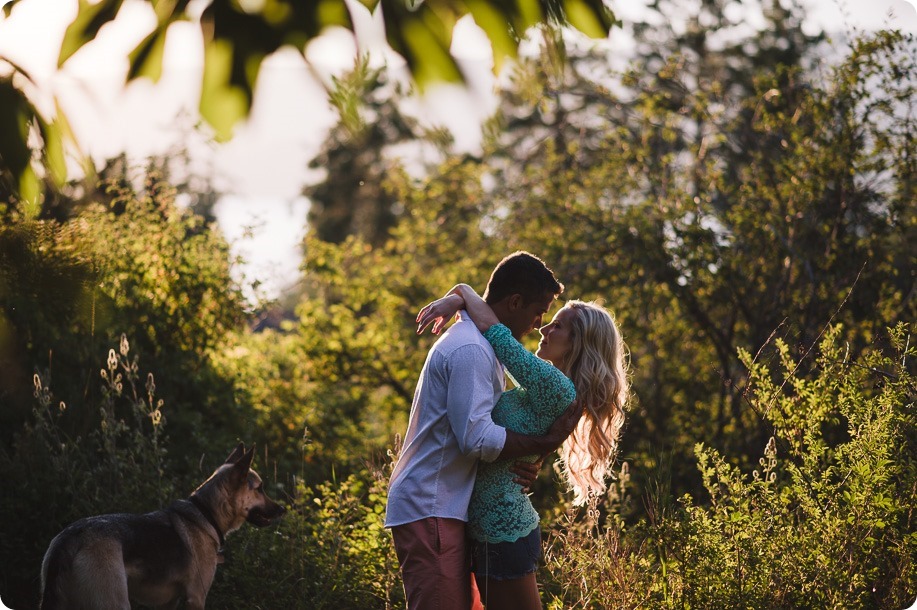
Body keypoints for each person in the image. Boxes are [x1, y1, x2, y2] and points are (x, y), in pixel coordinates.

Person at [385, 252, 581, 610]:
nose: (539, 324)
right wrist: (542, 442)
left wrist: (529, 456)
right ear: (515, 302)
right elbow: (477, 438)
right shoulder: (472, 349)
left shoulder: (482, 345)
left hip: (449, 506)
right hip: (432, 505)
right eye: (538, 311)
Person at [415, 283, 629, 610]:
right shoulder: (550, 386)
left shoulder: (554, 385)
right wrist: (538, 451)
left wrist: (459, 294)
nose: (544, 327)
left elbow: (494, 330)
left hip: (503, 530)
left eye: (557, 325)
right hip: (492, 528)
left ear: (578, 342)